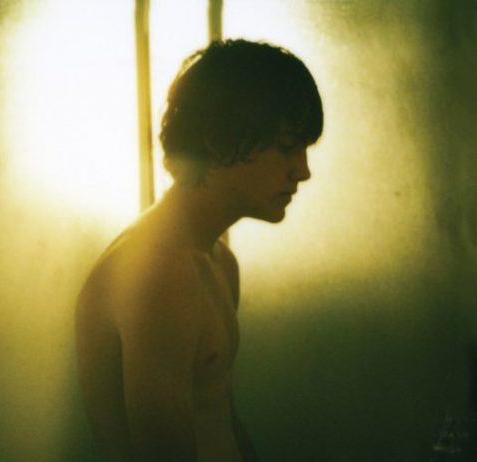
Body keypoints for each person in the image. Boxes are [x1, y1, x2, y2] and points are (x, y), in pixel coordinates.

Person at [75, 39, 323, 461]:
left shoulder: (217, 262)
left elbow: (218, 418)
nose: (302, 171)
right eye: (285, 146)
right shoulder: (160, 272)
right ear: (218, 140)